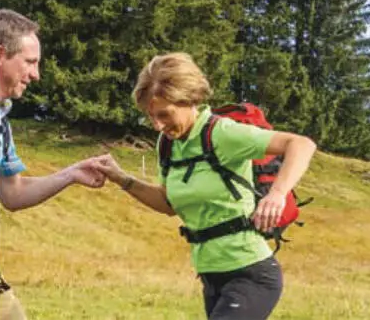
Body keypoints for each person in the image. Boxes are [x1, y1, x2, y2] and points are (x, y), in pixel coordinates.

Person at [94, 52, 316, 320]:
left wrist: (277, 194)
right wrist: (121, 178)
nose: (157, 125)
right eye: (150, 116)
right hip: (212, 277)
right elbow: (167, 204)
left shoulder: (222, 133)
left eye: (164, 114)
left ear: (188, 100)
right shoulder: (168, 145)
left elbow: (301, 144)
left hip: (250, 273)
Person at [0, 9, 108, 320]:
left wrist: (71, 173)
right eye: (30, 62)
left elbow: (13, 193)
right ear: (0, 55)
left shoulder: (2, 124)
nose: (36, 74)